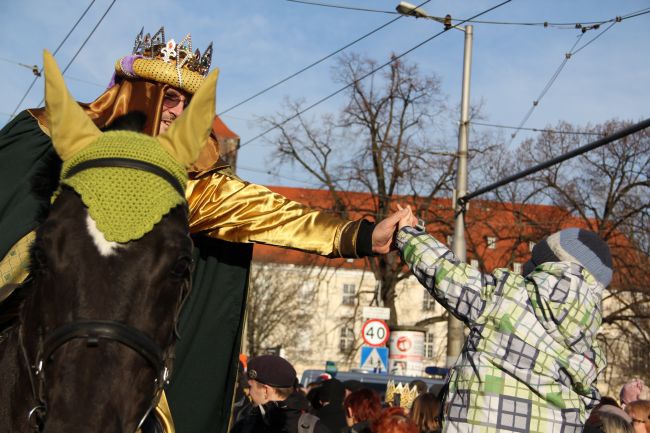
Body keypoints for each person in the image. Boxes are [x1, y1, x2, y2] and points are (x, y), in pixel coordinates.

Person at [0, 28, 414, 433]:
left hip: (124, 341)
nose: (179, 112)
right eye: (172, 97)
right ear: (137, 92)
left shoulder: (191, 183)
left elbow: (270, 213)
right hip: (40, 318)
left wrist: (361, 235)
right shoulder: (51, 138)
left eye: (189, 103)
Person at [395, 205, 612, 433]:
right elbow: (585, 405)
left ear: (546, 266)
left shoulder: (508, 298)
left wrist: (409, 235)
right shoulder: (589, 349)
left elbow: (445, 272)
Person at [229, 354, 331, 433]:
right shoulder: (246, 423)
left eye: (250, 387)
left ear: (266, 390)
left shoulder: (311, 428)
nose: (248, 393)